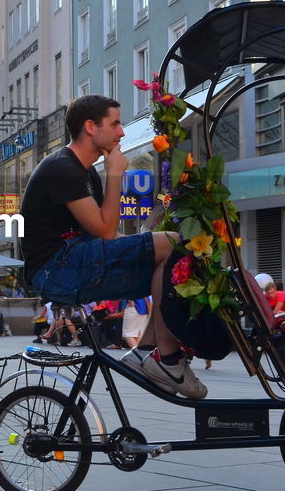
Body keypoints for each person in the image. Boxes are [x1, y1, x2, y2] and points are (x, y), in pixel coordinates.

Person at [21, 95, 201, 396]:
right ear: (91, 127)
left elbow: (105, 235)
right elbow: (105, 231)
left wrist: (143, 242)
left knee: (169, 264)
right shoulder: (61, 168)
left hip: (76, 260)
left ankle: (145, 350)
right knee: (172, 243)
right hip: (56, 269)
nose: (121, 132)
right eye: (115, 123)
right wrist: (116, 173)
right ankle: (168, 359)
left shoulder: (86, 172)